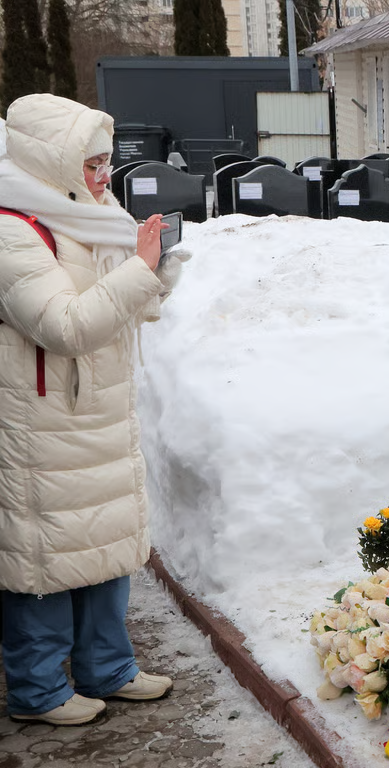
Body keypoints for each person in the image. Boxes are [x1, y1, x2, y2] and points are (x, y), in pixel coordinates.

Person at [0, 94, 186, 726]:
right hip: (44, 418)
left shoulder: (89, 211)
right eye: (91, 164)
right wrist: (138, 271)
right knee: (47, 556)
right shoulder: (13, 226)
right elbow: (66, 325)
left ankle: (108, 667)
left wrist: (159, 273)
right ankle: (38, 690)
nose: (105, 177)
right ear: (51, 160)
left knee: (103, 544)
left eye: (107, 162)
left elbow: (121, 307)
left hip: (96, 408)